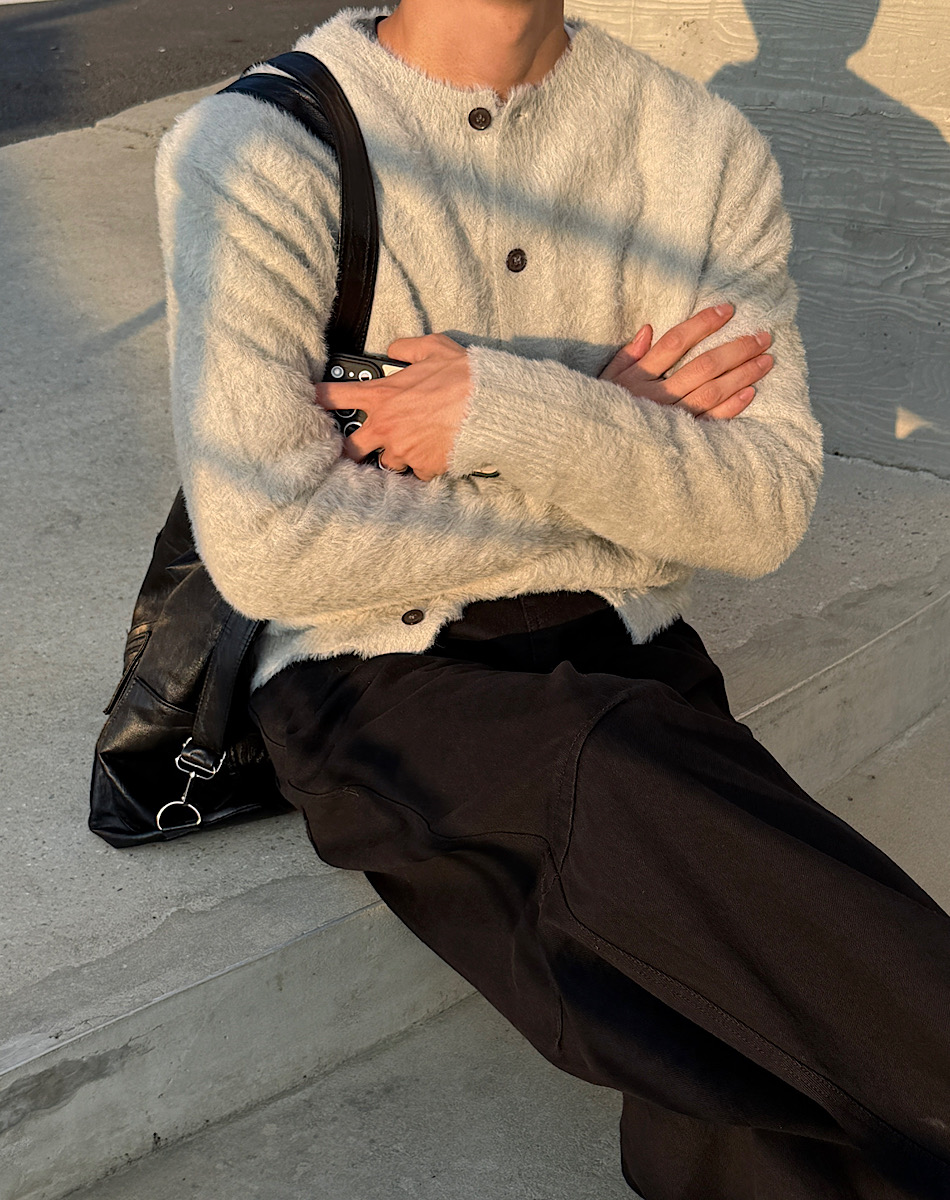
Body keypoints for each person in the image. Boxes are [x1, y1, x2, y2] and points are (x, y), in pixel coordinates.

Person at [155, 3, 950, 1196]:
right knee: (635, 799)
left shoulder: (696, 147)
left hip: (628, 645)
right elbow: (269, 547)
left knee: (723, 1056)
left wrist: (509, 412)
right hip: (373, 679)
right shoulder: (261, 148)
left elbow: (761, 509)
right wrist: (615, 441)